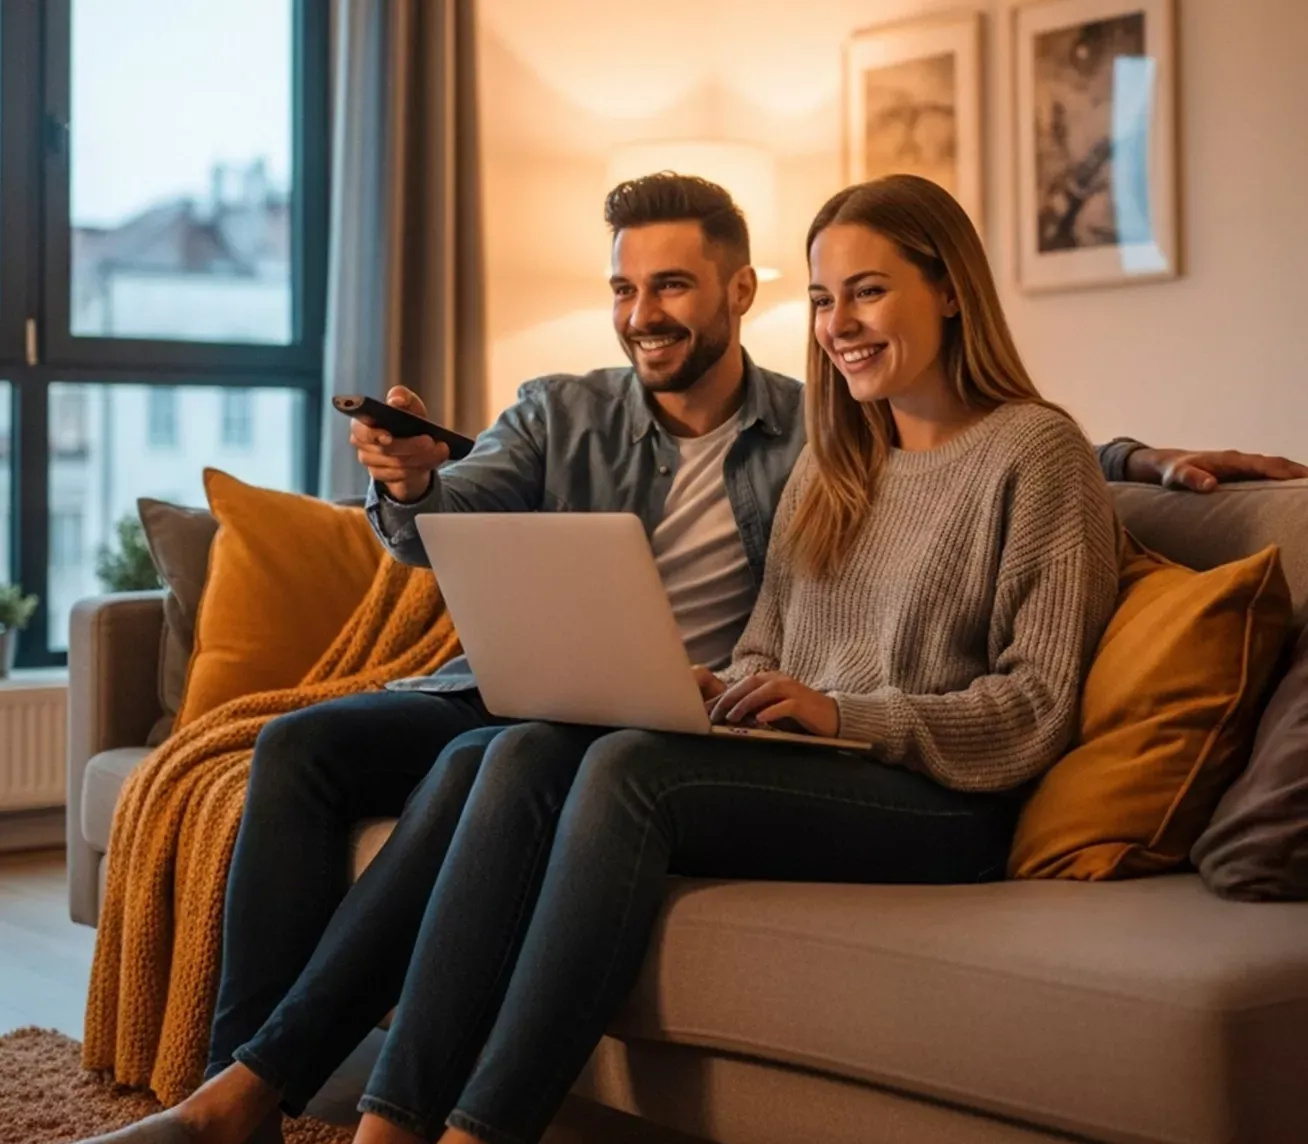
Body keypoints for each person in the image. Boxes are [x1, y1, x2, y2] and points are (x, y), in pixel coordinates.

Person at [82, 173, 1308, 1144]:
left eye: (868, 294)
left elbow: (1034, 707)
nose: (841, 326)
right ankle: (334, 1108)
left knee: (621, 770)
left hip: (946, 792)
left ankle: (473, 1128)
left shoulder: (1032, 453)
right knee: (501, 752)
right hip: (792, 747)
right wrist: (741, 686)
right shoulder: (841, 456)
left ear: (948, 290)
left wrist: (842, 711)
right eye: (829, 303)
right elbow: (775, 633)